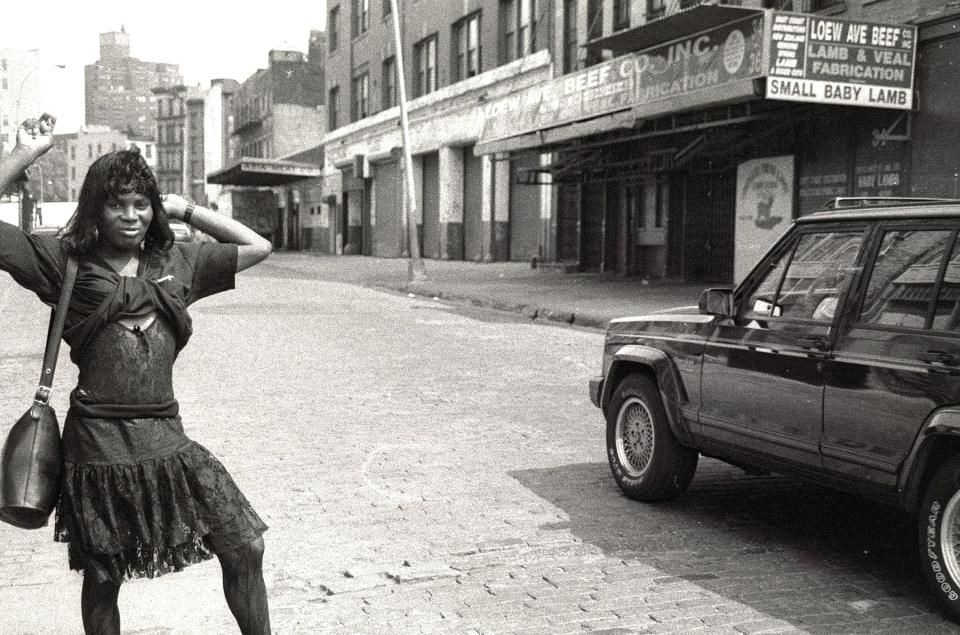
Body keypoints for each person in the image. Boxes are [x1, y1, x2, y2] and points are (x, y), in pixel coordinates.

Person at [0, 114, 274, 635]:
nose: (130, 215)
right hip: (97, 448)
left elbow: (259, 247)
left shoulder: (178, 262)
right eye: (116, 203)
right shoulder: (63, 264)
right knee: (103, 576)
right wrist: (25, 154)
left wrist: (183, 207)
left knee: (245, 545)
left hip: (167, 440)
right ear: (94, 210)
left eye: (141, 203)